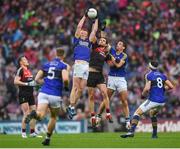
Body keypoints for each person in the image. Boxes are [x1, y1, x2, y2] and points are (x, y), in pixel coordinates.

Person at [25, 48, 70, 145]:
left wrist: (45, 83)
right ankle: (47, 139)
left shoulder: (46, 64)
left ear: (55, 54)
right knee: (53, 117)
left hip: (43, 92)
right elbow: (66, 79)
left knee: (40, 115)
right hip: (55, 94)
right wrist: (66, 86)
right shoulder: (63, 65)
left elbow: (36, 79)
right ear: (63, 56)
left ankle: (34, 114)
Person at [121, 61, 174, 138]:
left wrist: (142, 95)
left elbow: (147, 88)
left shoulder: (149, 75)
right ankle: (154, 135)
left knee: (137, 113)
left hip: (153, 100)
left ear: (150, 67)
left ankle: (131, 132)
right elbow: (171, 86)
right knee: (152, 113)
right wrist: (163, 89)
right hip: (162, 102)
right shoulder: (162, 75)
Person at [67, 11, 98, 119]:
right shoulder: (77, 40)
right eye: (82, 32)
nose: (83, 33)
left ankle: (71, 106)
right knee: (75, 87)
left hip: (86, 66)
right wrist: (85, 16)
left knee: (81, 89)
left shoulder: (89, 41)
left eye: (85, 32)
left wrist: (96, 20)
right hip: (79, 64)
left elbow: (94, 30)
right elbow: (79, 26)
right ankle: (71, 107)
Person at [96, 40, 130, 129]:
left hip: (120, 79)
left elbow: (118, 65)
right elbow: (106, 44)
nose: (118, 45)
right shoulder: (113, 51)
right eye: (118, 43)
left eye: (120, 44)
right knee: (106, 98)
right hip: (111, 78)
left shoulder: (124, 56)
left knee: (124, 101)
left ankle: (127, 121)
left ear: (123, 47)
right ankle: (98, 116)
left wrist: (111, 58)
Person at [87, 32, 112, 127]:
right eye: (101, 40)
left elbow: (112, 64)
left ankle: (108, 113)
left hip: (100, 75)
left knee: (105, 94)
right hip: (91, 74)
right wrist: (99, 28)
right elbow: (93, 36)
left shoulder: (106, 53)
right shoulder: (94, 47)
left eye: (103, 40)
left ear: (106, 44)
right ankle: (93, 116)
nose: (101, 40)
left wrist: (113, 57)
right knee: (91, 96)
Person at [14, 56, 37, 138]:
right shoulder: (20, 70)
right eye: (24, 59)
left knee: (34, 113)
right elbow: (16, 81)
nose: (27, 60)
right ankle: (23, 132)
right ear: (21, 62)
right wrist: (27, 84)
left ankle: (32, 132)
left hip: (30, 94)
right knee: (26, 113)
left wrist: (35, 84)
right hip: (23, 94)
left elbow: (30, 82)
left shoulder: (28, 70)